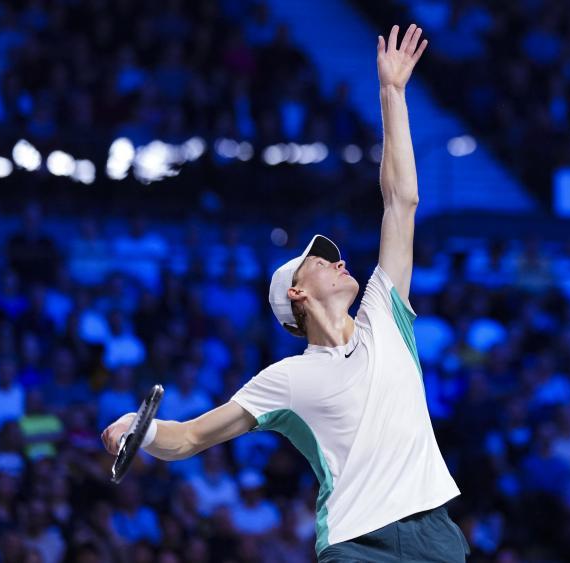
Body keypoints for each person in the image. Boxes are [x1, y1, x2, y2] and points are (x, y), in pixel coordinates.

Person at [102, 24, 471, 561]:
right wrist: (138, 429)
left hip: (435, 536)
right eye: (323, 262)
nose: (341, 261)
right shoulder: (287, 380)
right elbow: (189, 438)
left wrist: (392, 93)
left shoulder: (384, 315)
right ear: (297, 294)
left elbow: (401, 202)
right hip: (357, 544)